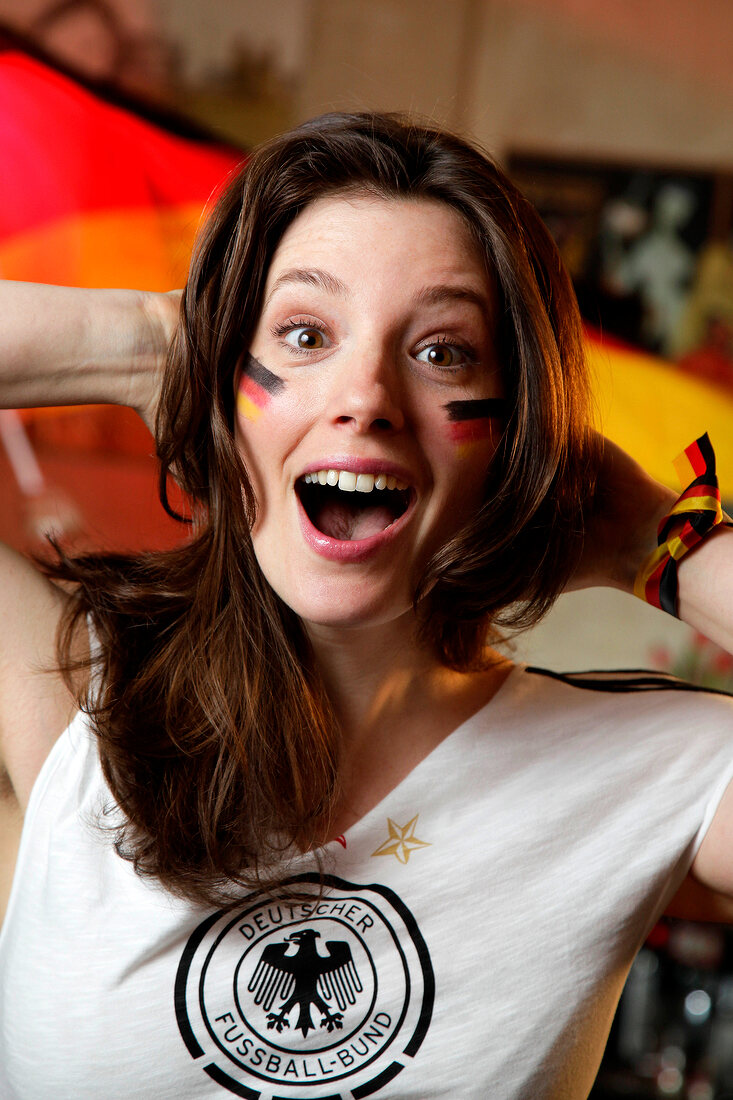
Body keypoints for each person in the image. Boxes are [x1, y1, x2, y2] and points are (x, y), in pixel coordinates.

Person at [1, 112, 733, 1100]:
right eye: (302, 334)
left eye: (442, 352)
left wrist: (650, 537)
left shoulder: (658, 767)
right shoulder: (61, 679)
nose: (364, 395)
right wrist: (143, 343)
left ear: (512, 434)